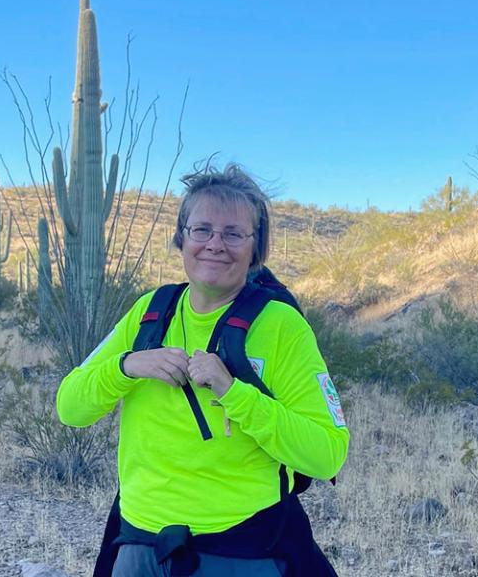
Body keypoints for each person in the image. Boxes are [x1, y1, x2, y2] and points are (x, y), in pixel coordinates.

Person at [56, 164, 349, 576]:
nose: (215, 244)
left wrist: (235, 393)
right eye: (202, 230)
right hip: (140, 544)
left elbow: (327, 454)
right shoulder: (149, 313)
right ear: (182, 237)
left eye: (233, 233)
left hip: (241, 549)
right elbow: (70, 407)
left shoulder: (282, 326)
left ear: (255, 248)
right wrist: (127, 366)